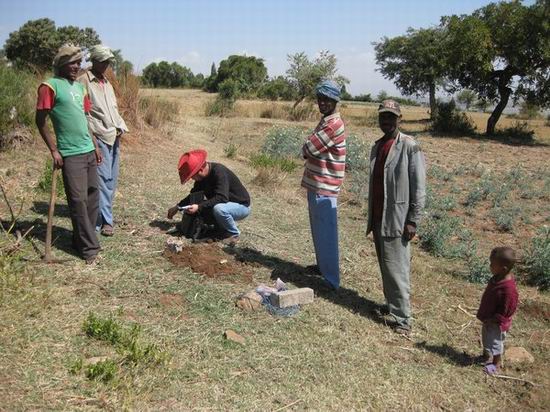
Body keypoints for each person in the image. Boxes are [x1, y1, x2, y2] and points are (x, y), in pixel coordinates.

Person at [35, 44, 103, 264]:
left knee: (92, 198)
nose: (76, 67)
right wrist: (54, 150)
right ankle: (89, 249)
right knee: (78, 201)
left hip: (88, 150)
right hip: (70, 154)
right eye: (72, 63)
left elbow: (85, 119)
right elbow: (40, 121)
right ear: (62, 64)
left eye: (79, 63)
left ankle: (79, 240)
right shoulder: (49, 86)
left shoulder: (80, 88)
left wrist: (95, 145)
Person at [366, 99, 426, 334]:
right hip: (379, 216)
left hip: (398, 219)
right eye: (383, 117)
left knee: (397, 269)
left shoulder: (409, 146)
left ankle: (403, 320)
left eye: (391, 117)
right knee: (386, 266)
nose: (386, 121)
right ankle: (392, 306)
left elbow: (419, 187)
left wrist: (413, 220)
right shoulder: (379, 145)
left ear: (399, 118)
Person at [78, 45, 129, 237]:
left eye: (108, 62)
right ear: (95, 61)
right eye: (104, 61)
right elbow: (83, 113)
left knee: (112, 179)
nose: (107, 65)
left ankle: (100, 217)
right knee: (103, 180)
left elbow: (112, 109)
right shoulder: (84, 81)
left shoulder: (106, 82)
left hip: (113, 134)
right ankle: (105, 221)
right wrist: (92, 140)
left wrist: (120, 126)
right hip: (98, 135)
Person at [302, 80, 347, 289]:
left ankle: (331, 280)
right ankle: (323, 267)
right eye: (320, 99)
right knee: (319, 231)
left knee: (326, 234)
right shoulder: (326, 121)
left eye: (327, 99)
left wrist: (307, 145)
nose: (322, 103)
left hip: (325, 186)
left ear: (335, 101)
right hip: (319, 184)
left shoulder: (333, 124)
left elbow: (309, 148)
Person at [167, 149, 251, 244]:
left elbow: (222, 198)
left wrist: (199, 206)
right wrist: (178, 207)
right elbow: (194, 195)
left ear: (200, 170)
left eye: (192, 176)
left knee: (219, 209)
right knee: (203, 206)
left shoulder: (219, 172)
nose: (192, 179)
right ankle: (217, 229)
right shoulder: (202, 178)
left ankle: (233, 234)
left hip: (241, 206)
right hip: (225, 203)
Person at [476, 246, 519, 375]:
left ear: (503, 268)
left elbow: (508, 308)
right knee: (486, 337)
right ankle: (485, 356)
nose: (490, 266)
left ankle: (496, 364)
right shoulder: (497, 277)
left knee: (496, 343)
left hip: (497, 322)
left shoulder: (508, 289)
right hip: (489, 318)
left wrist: (496, 319)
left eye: (492, 264)